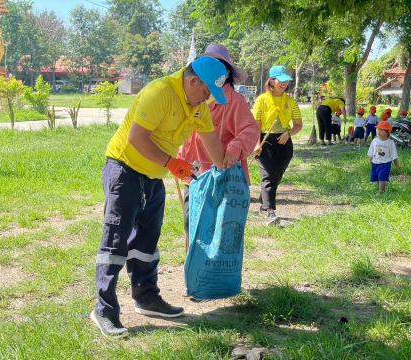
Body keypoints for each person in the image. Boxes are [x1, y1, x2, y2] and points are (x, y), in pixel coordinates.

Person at [91, 56, 230, 337]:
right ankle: (104, 309)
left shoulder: (198, 106)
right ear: (193, 81)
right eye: (205, 92)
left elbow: (213, 145)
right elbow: (136, 138)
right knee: (116, 240)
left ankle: (146, 298)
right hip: (124, 168)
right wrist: (171, 163)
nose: (205, 100)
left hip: (153, 175)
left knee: (147, 240)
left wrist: (227, 173)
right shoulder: (160, 93)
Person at [177, 43, 260, 234]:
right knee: (193, 226)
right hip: (193, 174)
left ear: (227, 73)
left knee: (220, 232)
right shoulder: (191, 95)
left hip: (223, 179)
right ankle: (194, 264)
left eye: (219, 66)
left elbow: (250, 129)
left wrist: (235, 147)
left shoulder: (234, 101)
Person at [252, 65, 303, 225]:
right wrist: (256, 144)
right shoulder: (262, 100)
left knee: (276, 177)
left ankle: (263, 203)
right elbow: (255, 124)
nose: (284, 84)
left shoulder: (290, 101)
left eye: (286, 81)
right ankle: (269, 211)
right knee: (268, 176)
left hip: (284, 142)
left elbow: (298, 124)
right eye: (281, 80)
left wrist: (288, 133)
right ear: (272, 81)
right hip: (264, 141)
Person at [368, 121, 400, 192]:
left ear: (387, 132)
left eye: (382, 130)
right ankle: (382, 189)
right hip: (375, 163)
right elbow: (371, 151)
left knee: (382, 177)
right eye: (378, 129)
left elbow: (394, 155)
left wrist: (397, 165)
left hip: (385, 164)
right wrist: (370, 160)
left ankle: (381, 192)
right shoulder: (375, 140)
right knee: (377, 177)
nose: (379, 131)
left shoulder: (390, 143)